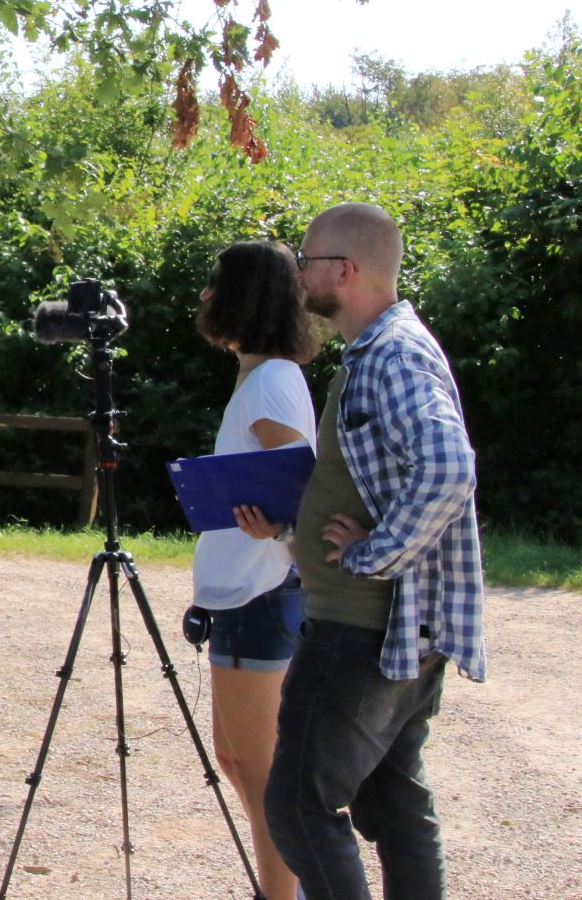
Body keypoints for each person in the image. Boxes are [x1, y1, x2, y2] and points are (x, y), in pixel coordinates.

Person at [257, 203, 486, 900]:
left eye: (307, 260)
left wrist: (375, 554)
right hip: (392, 628)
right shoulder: (384, 348)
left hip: (364, 629)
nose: (298, 274)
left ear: (344, 271)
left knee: (299, 806)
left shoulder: (391, 352)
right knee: (392, 805)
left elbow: (449, 466)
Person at [191, 240, 319, 900]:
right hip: (244, 595)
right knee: (238, 760)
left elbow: (303, 478)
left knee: (259, 766)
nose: (208, 296)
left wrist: (281, 522)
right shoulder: (262, 376)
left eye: (217, 285)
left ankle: (281, 895)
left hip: (262, 595)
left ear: (242, 296)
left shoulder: (271, 380)